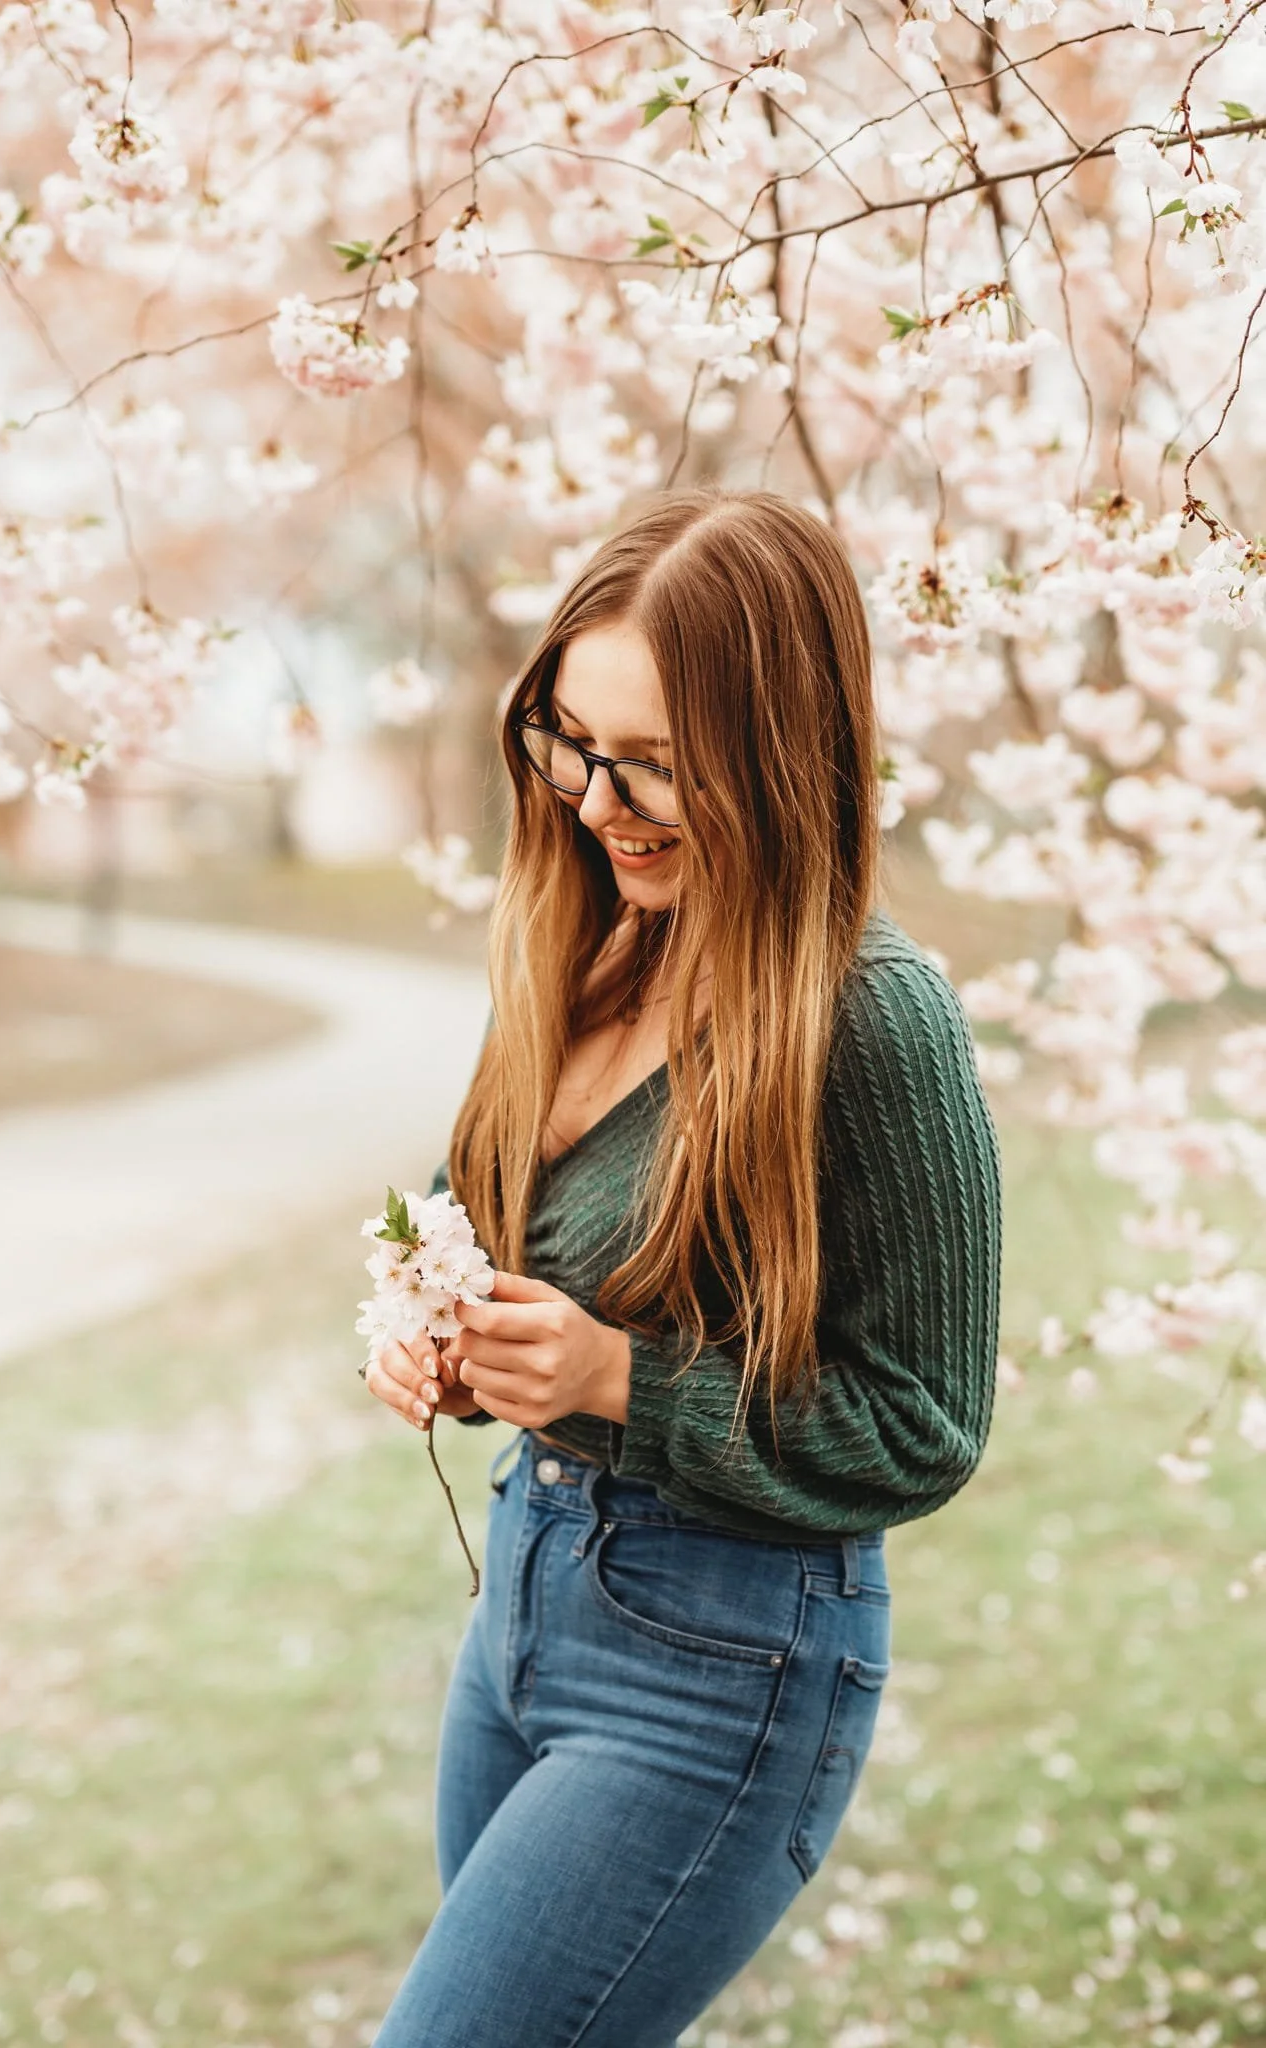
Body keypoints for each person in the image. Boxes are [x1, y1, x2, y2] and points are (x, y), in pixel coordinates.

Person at [364, 485, 1003, 2048]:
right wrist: (427, 1333)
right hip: (521, 1609)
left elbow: (926, 1426)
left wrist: (614, 1383)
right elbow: (470, 1211)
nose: (596, 801)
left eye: (652, 764)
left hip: (720, 1668)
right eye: (575, 744)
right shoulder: (587, 941)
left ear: (780, 754)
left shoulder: (873, 1021)